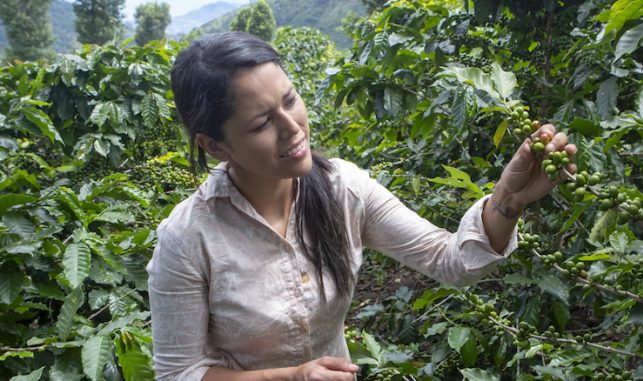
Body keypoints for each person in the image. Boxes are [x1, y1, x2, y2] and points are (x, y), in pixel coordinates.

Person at [146, 32, 577, 381]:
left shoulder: (343, 189)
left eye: (291, 100)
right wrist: (293, 376)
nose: (292, 127)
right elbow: (179, 373)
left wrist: (509, 198)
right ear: (215, 145)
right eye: (262, 123)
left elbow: (451, 261)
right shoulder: (188, 238)